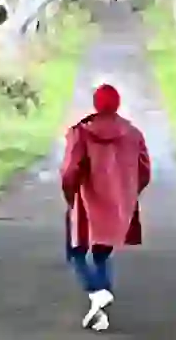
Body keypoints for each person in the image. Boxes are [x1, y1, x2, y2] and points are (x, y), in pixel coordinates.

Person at [59, 83, 151, 332]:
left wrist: (70, 196)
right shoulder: (133, 133)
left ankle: (96, 290)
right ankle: (100, 312)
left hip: (85, 204)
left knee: (76, 252)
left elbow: (70, 170)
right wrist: (127, 196)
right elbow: (144, 171)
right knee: (102, 254)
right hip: (116, 207)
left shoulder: (81, 132)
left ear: (96, 104)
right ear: (117, 104)